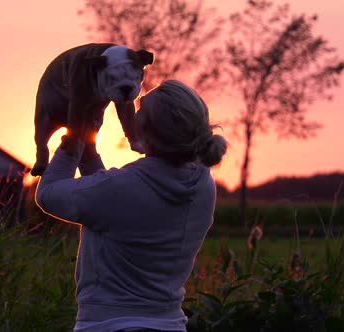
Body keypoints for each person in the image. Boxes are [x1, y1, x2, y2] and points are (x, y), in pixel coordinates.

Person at [35, 80, 228, 332]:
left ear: (144, 131)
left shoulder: (123, 187)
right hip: (169, 325)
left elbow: (48, 194)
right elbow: (112, 203)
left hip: (108, 325)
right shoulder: (202, 185)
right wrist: (89, 150)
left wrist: (73, 142)